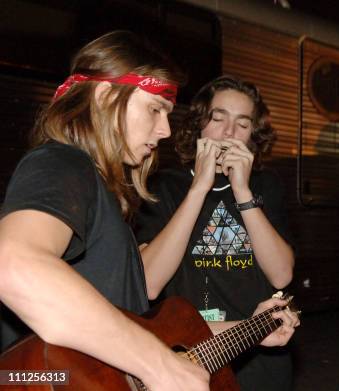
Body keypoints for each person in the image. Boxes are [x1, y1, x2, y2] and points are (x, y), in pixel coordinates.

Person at [0, 31, 297, 391]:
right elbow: (12, 263)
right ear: (107, 96)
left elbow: (138, 326)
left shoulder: (102, 193)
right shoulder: (61, 162)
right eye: (155, 109)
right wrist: (158, 366)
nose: (165, 129)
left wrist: (249, 328)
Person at [134, 75, 295, 391]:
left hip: (261, 353)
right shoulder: (163, 186)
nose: (229, 133)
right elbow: (149, 283)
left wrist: (242, 190)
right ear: (199, 125)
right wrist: (199, 189)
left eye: (243, 124)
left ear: (252, 136)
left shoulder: (266, 186)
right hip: (189, 356)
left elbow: (281, 276)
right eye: (218, 118)